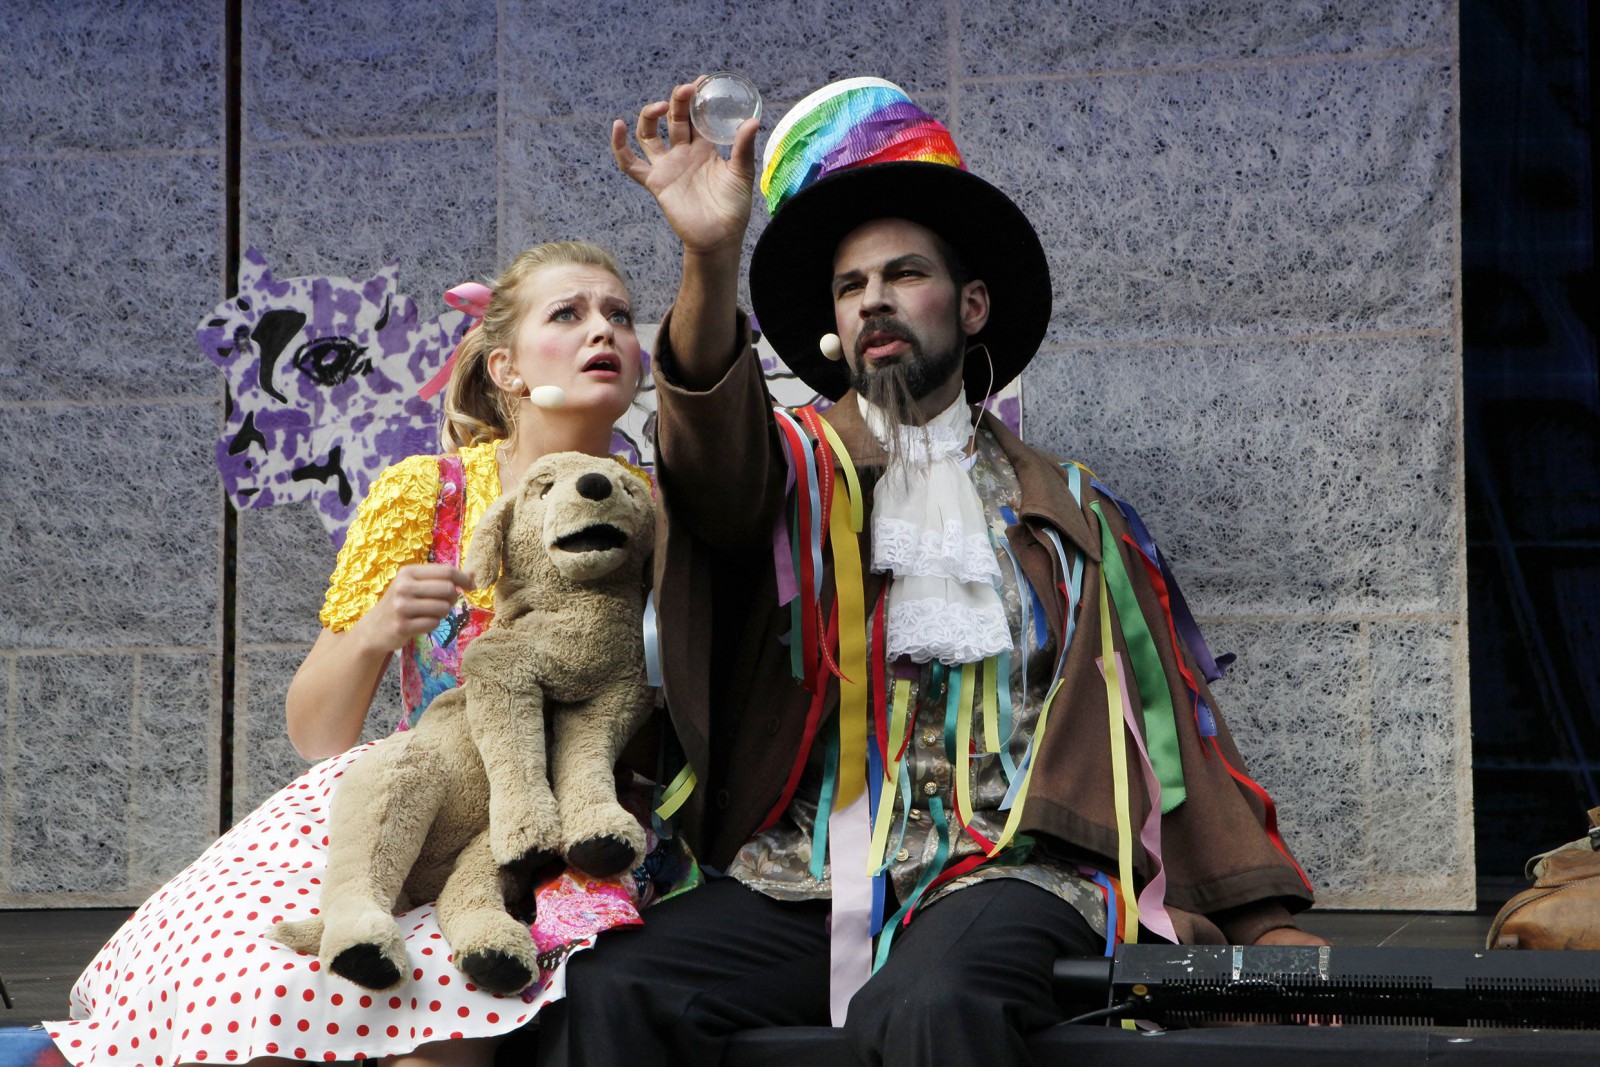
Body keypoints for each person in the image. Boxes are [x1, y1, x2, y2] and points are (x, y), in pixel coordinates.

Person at [532, 78, 1329, 1066]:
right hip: (804, 875)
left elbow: (1169, 727)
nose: (874, 299)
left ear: (971, 302)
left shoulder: (1071, 513)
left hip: (1010, 870)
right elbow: (711, 460)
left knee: (930, 998)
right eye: (850, 284)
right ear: (832, 323)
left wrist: (1258, 922)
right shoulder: (793, 473)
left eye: (903, 274)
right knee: (613, 986)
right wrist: (708, 255)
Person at [50, 241, 695, 1067]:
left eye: (617, 313)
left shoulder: (660, 506)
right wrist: (373, 632)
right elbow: (318, 731)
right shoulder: (429, 493)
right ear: (504, 366)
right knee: (264, 987)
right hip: (416, 805)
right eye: (566, 313)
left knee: (437, 1019)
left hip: (569, 828)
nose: (600, 329)